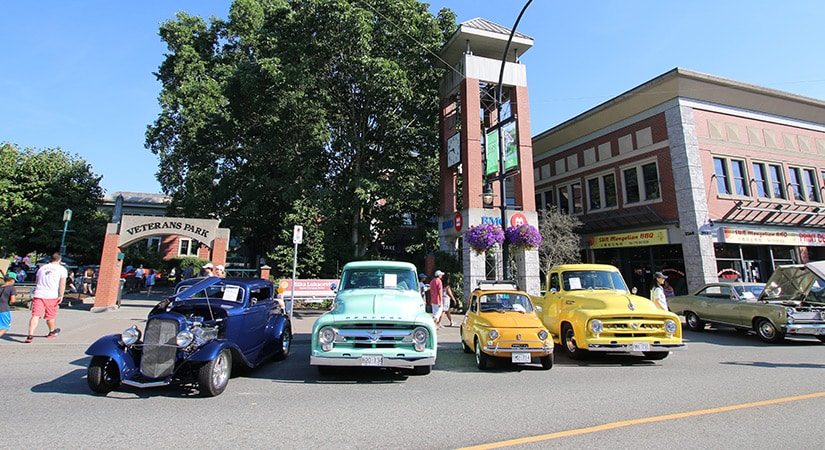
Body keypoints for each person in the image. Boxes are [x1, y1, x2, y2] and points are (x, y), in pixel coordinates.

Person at [26, 252, 68, 343]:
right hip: (51, 295)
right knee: (50, 316)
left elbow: (37, 282)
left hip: (39, 294)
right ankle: (51, 331)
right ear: (59, 259)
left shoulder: (42, 268)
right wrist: (61, 295)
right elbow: (62, 284)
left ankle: (30, 334)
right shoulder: (62, 269)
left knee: (35, 315)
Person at [0, 274, 17, 339]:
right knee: (5, 327)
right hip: (4, 310)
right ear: (11, 280)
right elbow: (13, 300)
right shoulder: (11, 288)